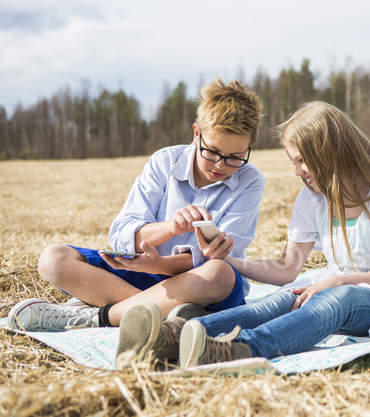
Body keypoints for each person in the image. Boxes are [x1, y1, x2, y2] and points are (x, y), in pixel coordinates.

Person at [115, 101, 370, 369]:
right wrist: (229, 261)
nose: (298, 171)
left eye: (302, 161)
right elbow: (287, 270)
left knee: (337, 299)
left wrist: (337, 281)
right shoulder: (314, 196)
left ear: (329, 152)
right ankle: (169, 338)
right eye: (294, 162)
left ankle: (237, 351)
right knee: (281, 299)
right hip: (334, 286)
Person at [8, 79, 265, 333]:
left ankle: (101, 317)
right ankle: (165, 315)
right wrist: (171, 227)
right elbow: (122, 233)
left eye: (234, 158)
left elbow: (219, 259)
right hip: (142, 275)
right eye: (213, 152)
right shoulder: (164, 162)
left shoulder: (250, 181)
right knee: (53, 259)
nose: (220, 166)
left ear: (248, 148)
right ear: (196, 134)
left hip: (198, 284)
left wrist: (161, 265)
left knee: (220, 273)